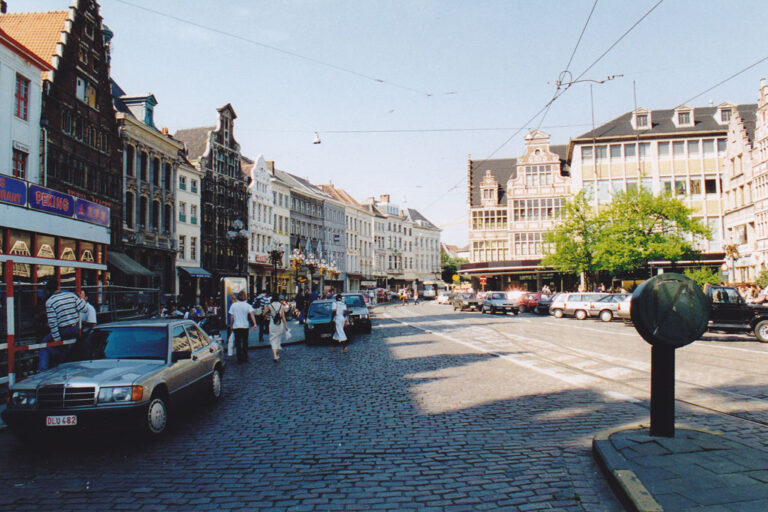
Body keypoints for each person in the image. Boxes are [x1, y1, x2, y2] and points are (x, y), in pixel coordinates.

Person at [39, 280, 88, 371]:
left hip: (63, 331)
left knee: (44, 345)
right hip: (76, 328)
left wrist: (57, 339)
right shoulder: (71, 295)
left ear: (49, 290)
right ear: (58, 287)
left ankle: (43, 370)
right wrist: (81, 299)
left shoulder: (50, 302)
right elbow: (84, 309)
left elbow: (53, 323)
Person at [228, 291, 257, 364]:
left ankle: (239, 357)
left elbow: (231, 317)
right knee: (245, 341)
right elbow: (252, 315)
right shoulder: (247, 305)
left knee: (237, 342)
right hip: (245, 326)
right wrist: (255, 324)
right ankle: (245, 356)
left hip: (236, 326)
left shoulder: (234, 305)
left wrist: (231, 325)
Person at [267, 294, 290, 362]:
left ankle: (275, 355)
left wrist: (268, 316)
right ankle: (276, 353)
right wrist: (286, 327)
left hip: (272, 324)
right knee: (278, 339)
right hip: (280, 325)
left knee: (273, 339)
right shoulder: (281, 306)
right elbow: (283, 317)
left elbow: (264, 313)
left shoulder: (269, 306)